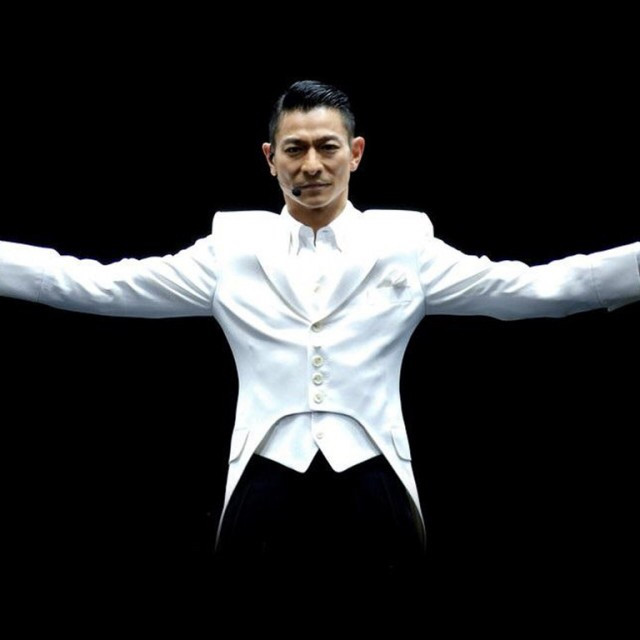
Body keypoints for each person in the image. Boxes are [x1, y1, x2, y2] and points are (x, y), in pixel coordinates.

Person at [1, 79, 639, 593]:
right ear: (269, 158)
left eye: (327, 147)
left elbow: (534, 289)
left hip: (374, 475)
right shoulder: (231, 248)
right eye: (295, 149)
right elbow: (100, 285)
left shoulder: (404, 243)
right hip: (264, 475)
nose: (312, 165)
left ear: (355, 153)